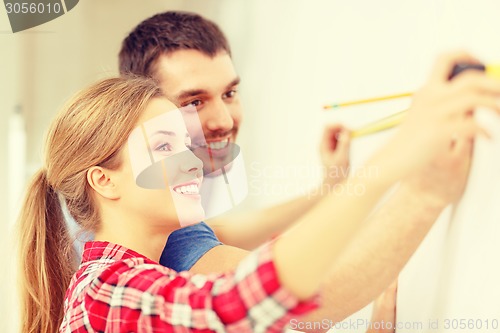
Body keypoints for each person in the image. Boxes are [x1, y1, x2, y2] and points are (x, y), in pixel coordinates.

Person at [17, 50, 500, 332]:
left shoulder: (146, 267)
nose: (191, 161)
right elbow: (243, 303)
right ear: (103, 179)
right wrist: (409, 169)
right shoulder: (106, 288)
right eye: (164, 146)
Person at [118, 11, 485, 330]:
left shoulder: (158, 210)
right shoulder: (141, 235)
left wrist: (329, 190)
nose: (224, 120)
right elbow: (304, 299)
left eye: (229, 93)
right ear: (140, 113)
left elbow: (224, 232)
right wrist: (426, 191)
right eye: (194, 102)